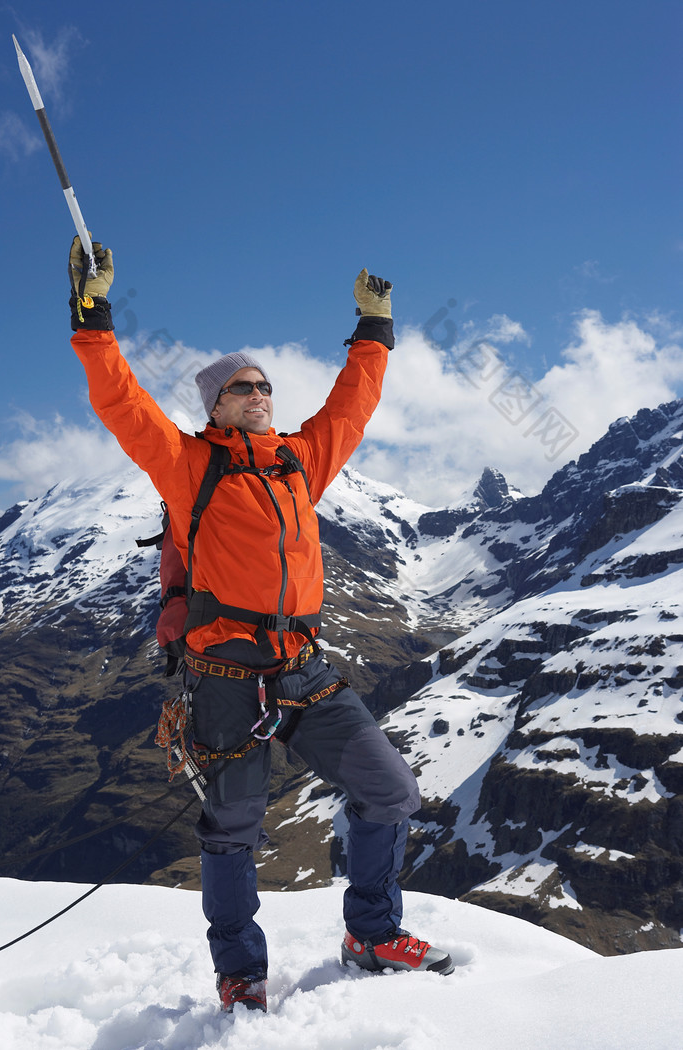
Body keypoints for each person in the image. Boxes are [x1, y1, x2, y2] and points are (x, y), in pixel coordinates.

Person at [68, 237, 454, 1013]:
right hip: (225, 678)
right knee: (232, 831)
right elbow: (120, 402)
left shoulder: (298, 462)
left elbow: (353, 405)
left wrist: (372, 329)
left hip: (303, 668)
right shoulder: (187, 464)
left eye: (265, 384)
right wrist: (93, 315)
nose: (259, 393)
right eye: (242, 387)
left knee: (390, 791)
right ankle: (241, 972)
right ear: (215, 404)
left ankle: (371, 935)